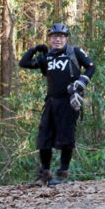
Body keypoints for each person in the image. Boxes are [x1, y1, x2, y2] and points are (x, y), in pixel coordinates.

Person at [18, 23, 96, 186]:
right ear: (49, 39)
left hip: (69, 100)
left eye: (61, 37)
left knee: (66, 136)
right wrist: (35, 49)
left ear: (66, 39)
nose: (57, 40)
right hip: (51, 101)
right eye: (54, 37)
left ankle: (62, 173)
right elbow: (24, 63)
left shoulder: (75, 52)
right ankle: (44, 172)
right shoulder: (47, 57)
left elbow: (91, 67)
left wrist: (82, 81)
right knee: (44, 136)